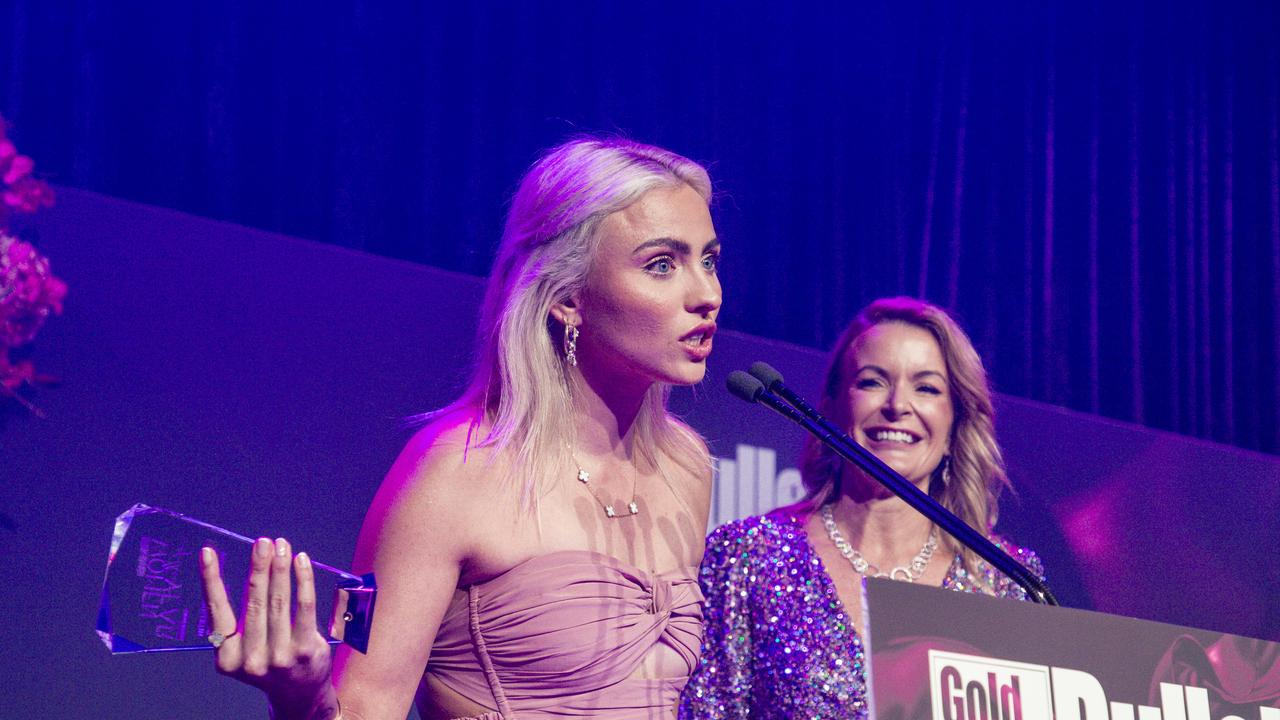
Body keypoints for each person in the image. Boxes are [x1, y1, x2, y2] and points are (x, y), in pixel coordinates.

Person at [199, 136, 724, 719]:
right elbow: (369, 705)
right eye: (661, 265)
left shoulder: (685, 468)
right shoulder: (459, 470)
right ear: (569, 297)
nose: (707, 294)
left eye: (709, 259)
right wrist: (301, 698)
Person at [679, 296, 1044, 719]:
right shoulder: (746, 557)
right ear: (833, 406)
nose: (897, 406)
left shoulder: (1006, 582)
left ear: (955, 423)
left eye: (926, 388)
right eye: (872, 382)